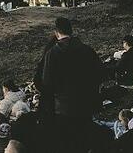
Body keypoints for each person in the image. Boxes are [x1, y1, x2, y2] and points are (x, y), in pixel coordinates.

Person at [33, 17, 102, 152]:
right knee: (83, 142)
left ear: (56, 33)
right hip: (85, 105)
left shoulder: (52, 53)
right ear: (71, 31)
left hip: (63, 109)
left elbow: (46, 84)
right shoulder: (87, 50)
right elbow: (99, 75)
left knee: (67, 144)